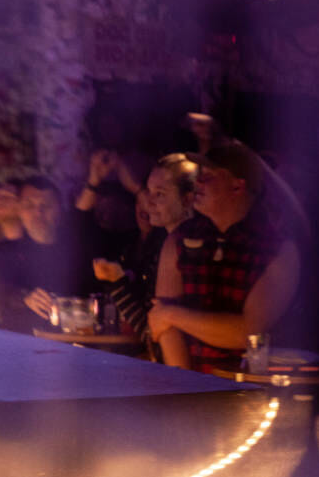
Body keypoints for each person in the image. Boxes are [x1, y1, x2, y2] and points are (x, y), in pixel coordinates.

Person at [148, 141, 301, 373]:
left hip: (253, 391)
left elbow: (248, 333)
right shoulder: (179, 240)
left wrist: (173, 315)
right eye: (198, 174)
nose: (197, 182)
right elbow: (164, 327)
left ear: (238, 187)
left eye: (208, 176)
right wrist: (186, 389)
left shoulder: (276, 249)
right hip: (189, 389)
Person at [93, 153, 198, 342]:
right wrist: (116, 281)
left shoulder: (190, 251)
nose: (149, 202)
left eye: (160, 194)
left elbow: (153, 337)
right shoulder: (162, 246)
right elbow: (151, 331)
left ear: (188, 199)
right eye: (149, 192)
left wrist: (118, 284)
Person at [0, 176, 86, 334]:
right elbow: (0, 299)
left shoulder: (77, 251)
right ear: (19, 209)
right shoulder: (4, 252)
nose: (38, 212)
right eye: (29, 205)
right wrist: (25, 298)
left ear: (59, 210)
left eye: (46, 206)